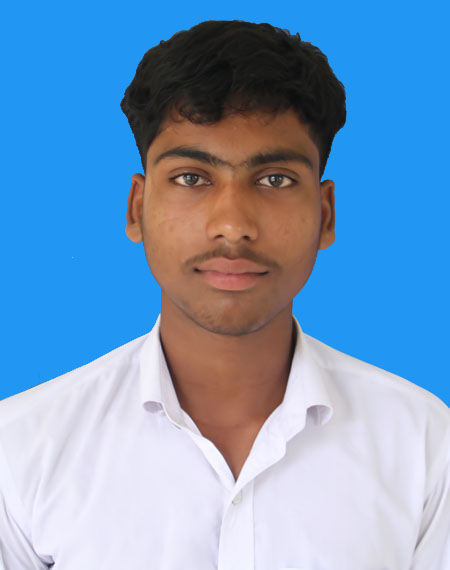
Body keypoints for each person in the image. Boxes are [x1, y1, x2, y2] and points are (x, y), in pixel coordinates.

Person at [0, 19, 449, 570]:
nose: (233, 225)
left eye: (275, 179)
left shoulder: (425, 446)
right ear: (137, 208)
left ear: (326, 215)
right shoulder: (21, 448)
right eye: (191, 178)